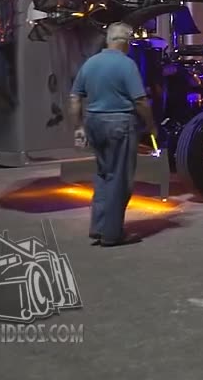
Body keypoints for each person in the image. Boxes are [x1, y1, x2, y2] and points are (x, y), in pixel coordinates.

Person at [69, 22, 156, 247]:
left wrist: (79, 126)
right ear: (126, 42)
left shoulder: (90, 63)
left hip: (94, 123)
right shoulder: (126, 65)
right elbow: (140, 100)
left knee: (103, 176)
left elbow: (75, 97)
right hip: (119, 124)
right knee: (120, 180)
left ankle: (98, 228)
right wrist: (151, 125)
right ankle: (112, 234)